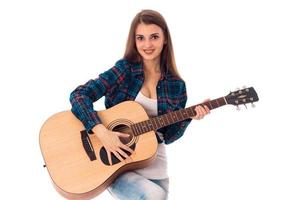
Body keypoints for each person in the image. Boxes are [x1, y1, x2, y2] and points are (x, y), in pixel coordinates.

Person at [70, 9, 210, 200]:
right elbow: (79, 95)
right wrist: (102, 132)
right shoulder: (124, 70)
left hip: (157, 172)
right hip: (118, 166)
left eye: (154, 37)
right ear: (134, 41)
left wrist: (189, 117)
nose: (147, 44)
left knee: (157, 195)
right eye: (140, 38)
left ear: (165, 39)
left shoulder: (177, 85)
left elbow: (168, 136)